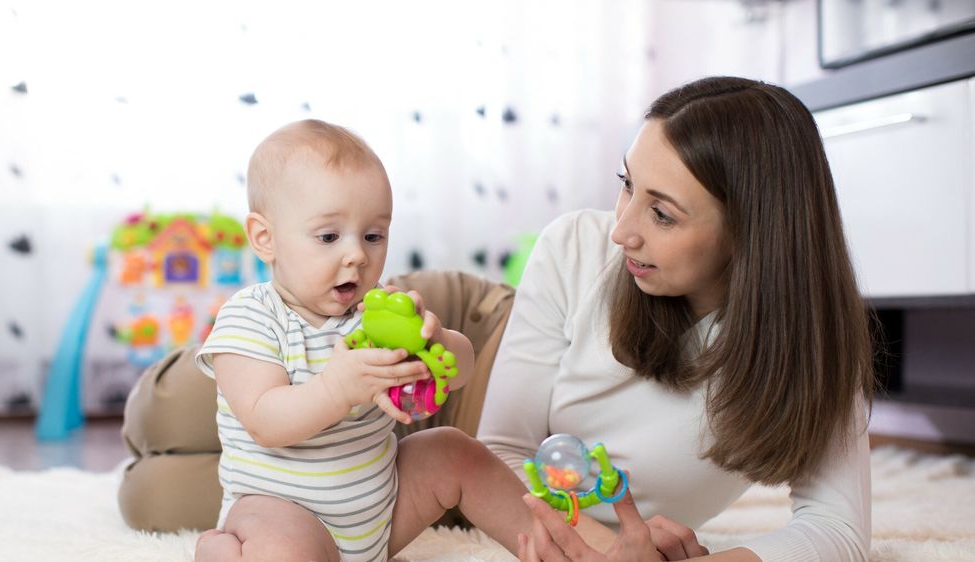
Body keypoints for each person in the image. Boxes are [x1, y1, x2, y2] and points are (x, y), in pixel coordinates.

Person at [478, 76, 874, 562]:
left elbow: (838, 530)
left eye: (662, 214)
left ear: (751, 233)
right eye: (627, 184)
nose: (621, 231)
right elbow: (494, 454)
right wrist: (612, 550)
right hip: (455, 357)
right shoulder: (573, 247)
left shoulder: (813, 340)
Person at [193, 119, 531, 561]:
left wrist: (437, 343)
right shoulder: (251, 316)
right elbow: (265, 423)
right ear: (265, 238)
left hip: (381, 515)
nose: (357, 254)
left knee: (453, 450)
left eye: (373, 236)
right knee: (283, 551)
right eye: (329, 237)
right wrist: (337, 389)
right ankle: (223, 550)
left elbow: (461, 371)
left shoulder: (376, 314)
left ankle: (553, 546)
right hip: (285, 514)